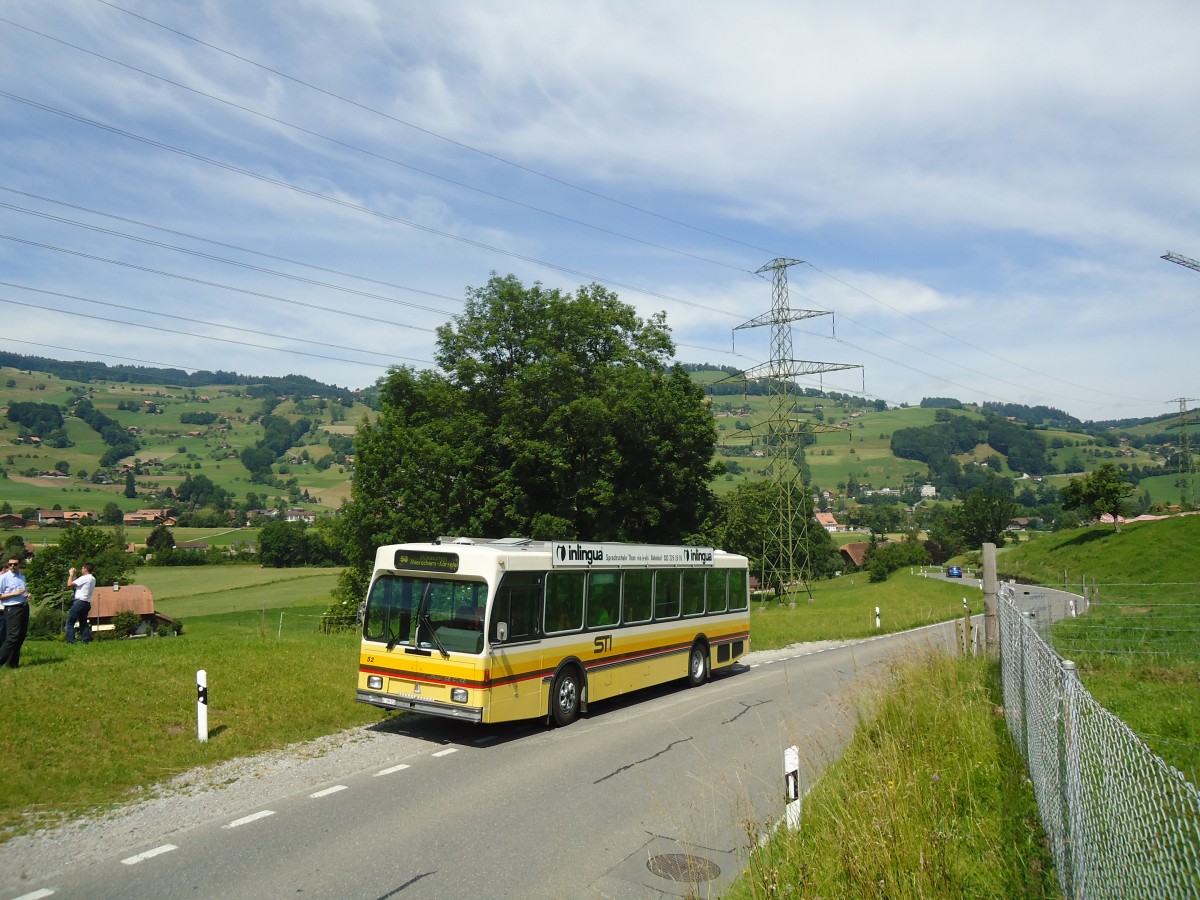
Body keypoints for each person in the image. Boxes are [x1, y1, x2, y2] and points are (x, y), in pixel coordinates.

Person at [0, 557, 32, 668]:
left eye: (15, 564)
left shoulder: (21, 577)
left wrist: (27, 595)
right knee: (12, 637)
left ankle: (13, 663)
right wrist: (15, 594)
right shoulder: (4, 578)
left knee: (20, 636)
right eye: (10, 564)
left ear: (20, 565)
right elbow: (0, 596)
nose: (12, 566)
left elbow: (22, 591)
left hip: (23, 606)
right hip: (12, 609)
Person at [66, 562, 97, 645]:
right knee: (83, 622)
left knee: (70, 622)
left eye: (82, 568)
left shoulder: (85, 578)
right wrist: (75, 575)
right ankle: (85, 641)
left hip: (79, 602)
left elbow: (69, 584)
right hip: (86, 602)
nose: (81, 569)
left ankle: (71, 642)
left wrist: (71, 574)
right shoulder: (92, 579)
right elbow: (77, 584)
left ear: (86, 569)